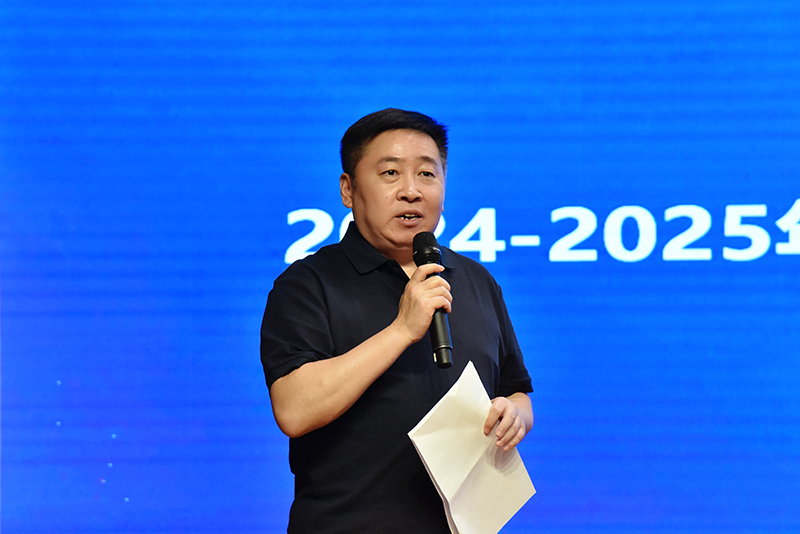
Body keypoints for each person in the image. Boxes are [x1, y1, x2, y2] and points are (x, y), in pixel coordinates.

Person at [260, 108, 533, 533]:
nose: (411, 191)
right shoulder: (309, 284)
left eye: (427, 174)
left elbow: (515, 391)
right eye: (390, 173)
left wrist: (513, 415)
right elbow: (294, 410)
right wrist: (402, 330)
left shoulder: (475, 280)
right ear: (348, 189)